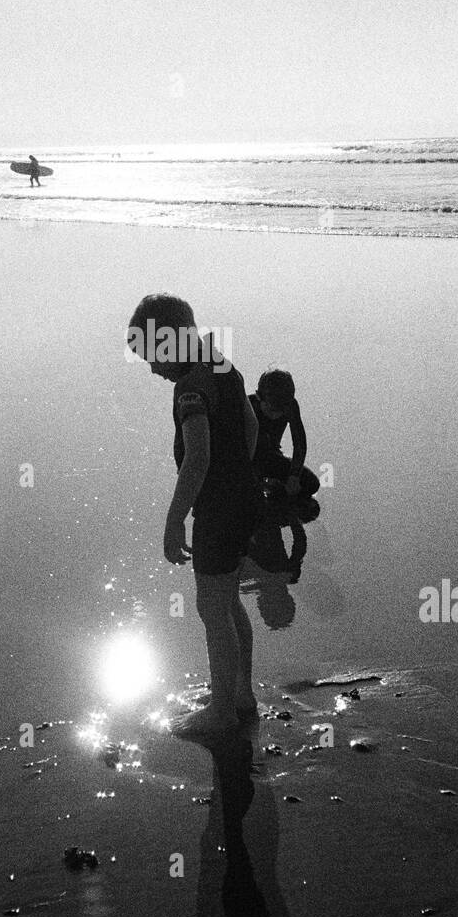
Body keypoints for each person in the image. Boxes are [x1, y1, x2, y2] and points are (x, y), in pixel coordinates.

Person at [126, 293, 264, 735]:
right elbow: (251, 423)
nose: (152, 369)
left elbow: (198, 458)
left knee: (211, 609)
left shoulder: (190, 389)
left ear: (169, 341)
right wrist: (241, 473)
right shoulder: (219, 360)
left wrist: (174, 519)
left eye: (152, 358)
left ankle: (222, 710)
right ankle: (239, 693)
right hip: (243, 498)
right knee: (228, 601)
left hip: (217, 509)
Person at [249, 370, 320, 498]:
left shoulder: (290, 406)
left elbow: (299, 443)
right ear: (259, 397)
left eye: (280, 410)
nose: (275, 415)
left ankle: (273, 490)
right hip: (248, 460)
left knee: (311, 483)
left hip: (272, 457)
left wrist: (294, 476)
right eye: (271, 409)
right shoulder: (248, 406)